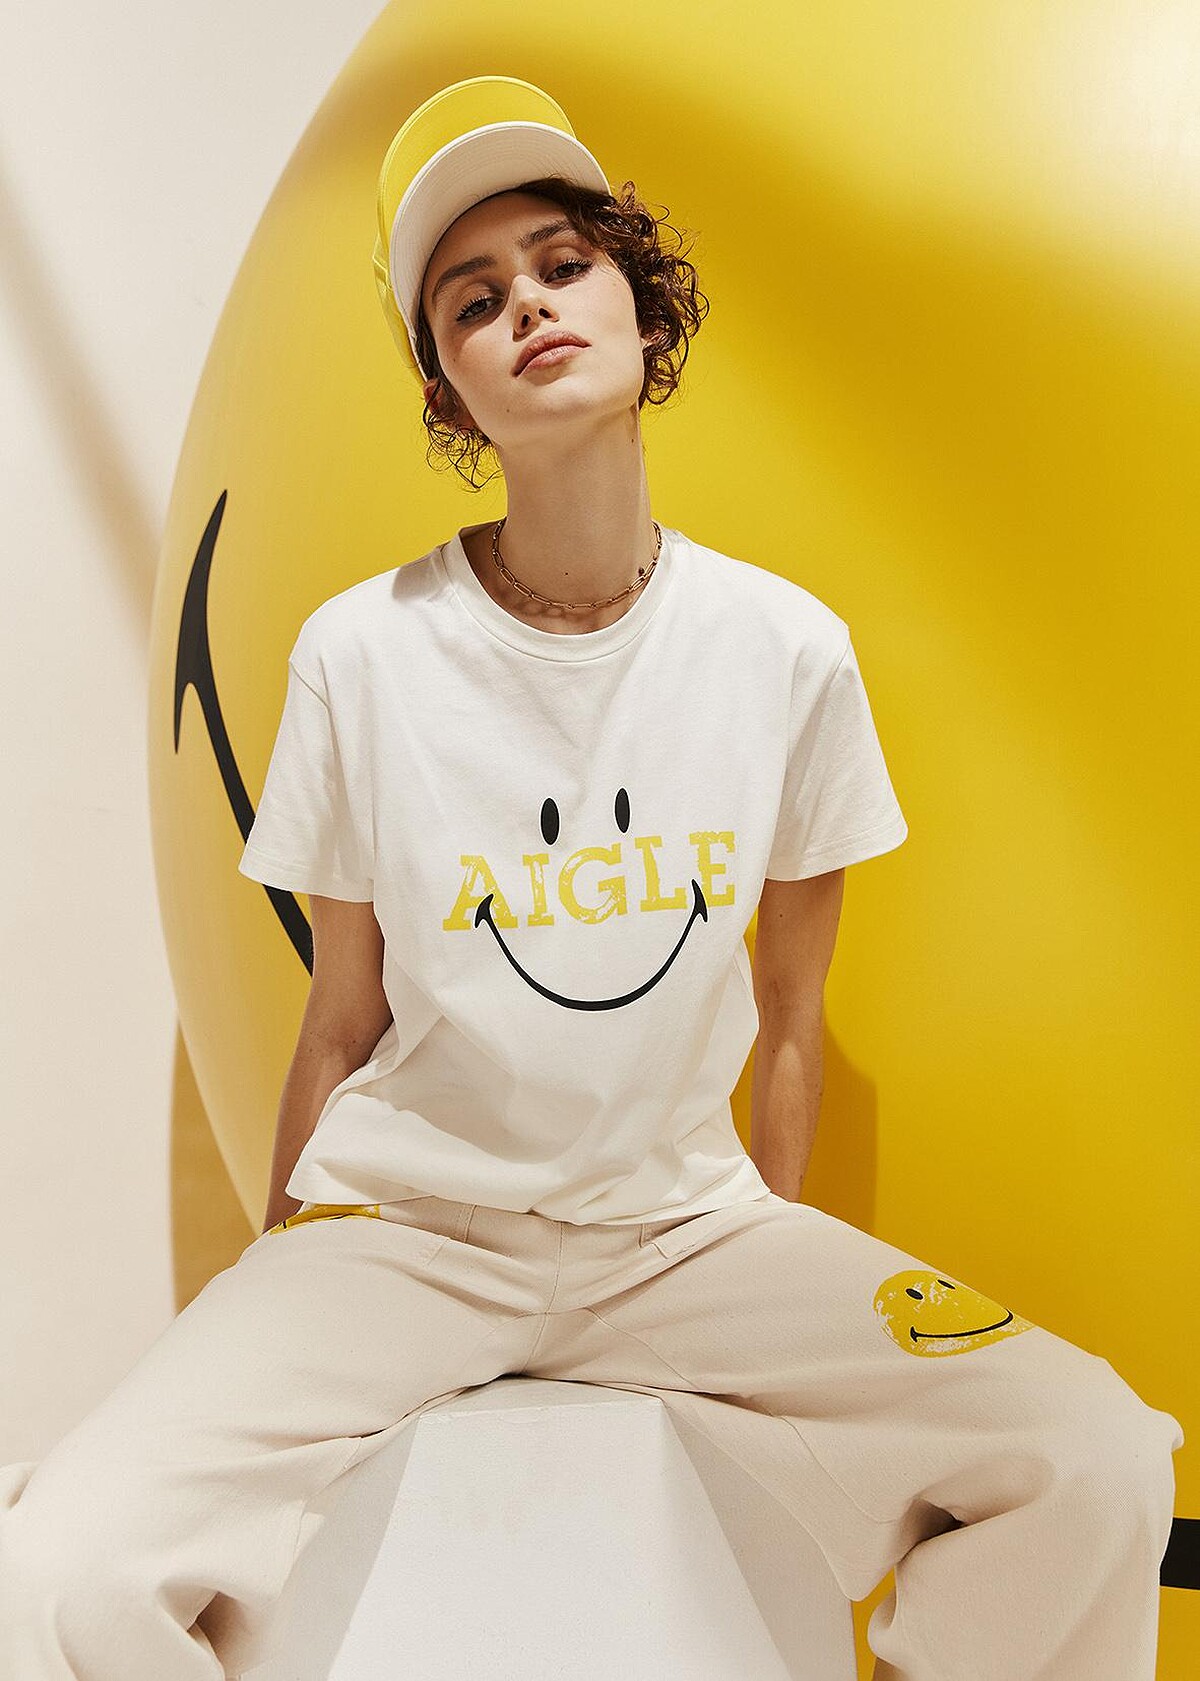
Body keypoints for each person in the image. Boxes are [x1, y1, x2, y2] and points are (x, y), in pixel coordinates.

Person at [0, 73, 1183, 1681]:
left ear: (642, 309)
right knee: (59, 1565)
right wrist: (272, 1283)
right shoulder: (362, 652)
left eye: (564, 266)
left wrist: (771, 1267)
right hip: (407, 1231)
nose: (530, 307)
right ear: (452, 390)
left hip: (681, 1234)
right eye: (475, 300)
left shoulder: (783, 650)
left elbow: (791, 1012)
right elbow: (339, 1019)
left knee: (1091, 1457)